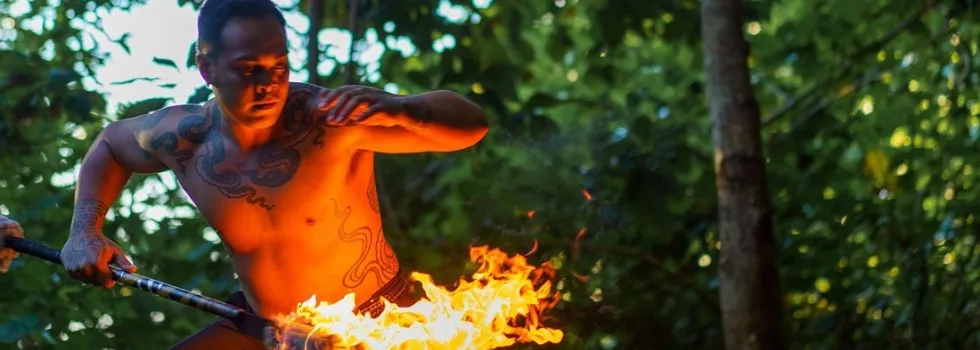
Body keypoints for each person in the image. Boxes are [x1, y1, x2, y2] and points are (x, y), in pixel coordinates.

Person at [57, 0, 488, 348]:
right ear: (206, 68)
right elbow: (110, 145)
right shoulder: (182, 138)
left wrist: (403, 109)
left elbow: (471, 126)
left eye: (279, 65)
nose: (269, 83)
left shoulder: (328, 120)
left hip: (372, 324)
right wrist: (84, 232)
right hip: (263, 329)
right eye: (249, 69)